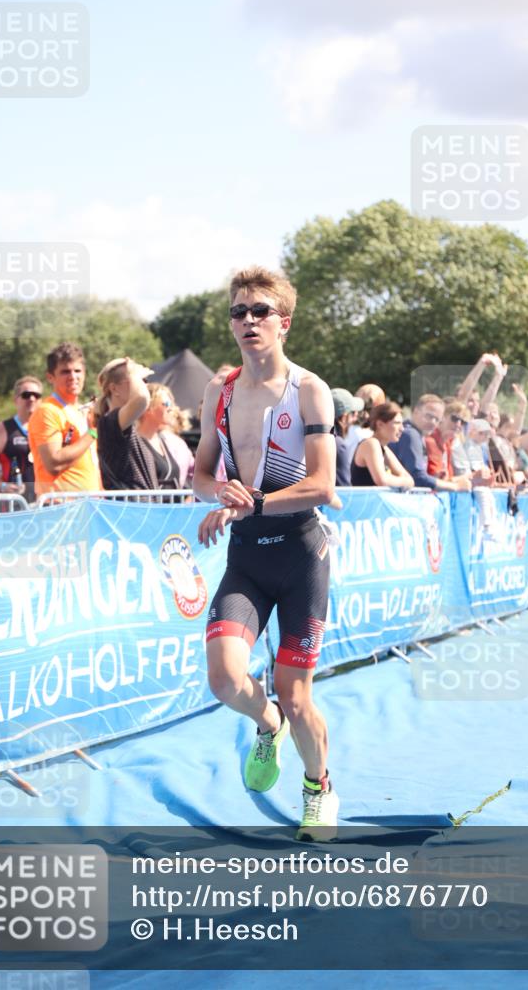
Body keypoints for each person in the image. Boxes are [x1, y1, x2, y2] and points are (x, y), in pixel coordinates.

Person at [192, 265, 338, 841]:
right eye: (239, 312)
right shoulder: (219, 391)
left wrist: (250, 501)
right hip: (247, 556)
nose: (248, 321)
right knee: (225, 680)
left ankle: (318, 786)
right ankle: (266, 722)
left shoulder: (308, 389)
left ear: (284, 323)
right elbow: (201, 475)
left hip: (301, 556)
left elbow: (323, 484)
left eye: (261, 311)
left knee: (297, 697)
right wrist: (221, 494)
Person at [27, 342, 102, 497]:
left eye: (77, 371)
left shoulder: (83, 412)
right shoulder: (47, 411)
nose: (73, 377)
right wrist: (92, 432)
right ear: (50, 377)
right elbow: (53, 464)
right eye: (65, 372)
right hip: (60, 504)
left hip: (90, 502)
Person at [94, 358, 157, 491]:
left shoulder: (123, 425)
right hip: (127, 504)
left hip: (140, 504)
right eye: (137, 381)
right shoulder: (108, 423)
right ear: (114, 388)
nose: (143, 385)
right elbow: (142, 398)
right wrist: (134, 373)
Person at [389, 394, 471, 491]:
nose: (432, 422)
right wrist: (456, 487)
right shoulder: (411, 435)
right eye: (429, 416)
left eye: (437, 419)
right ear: (415, 412)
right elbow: (418, 478)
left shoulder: (417, 434)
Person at [0, 375, 43, 500]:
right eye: (26, 395)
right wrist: (3, 486)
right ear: (15, 400)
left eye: (36, 395)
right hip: (14, 502)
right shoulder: (1, 430)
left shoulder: (48, 427)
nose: (31, 399)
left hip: (44, 500)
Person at [351, 401, 413, 488]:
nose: (402, 429)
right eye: (397, 423)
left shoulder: (384, 448)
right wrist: (403, 481)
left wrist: (397, 480)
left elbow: (410, 480)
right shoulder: (371, 444)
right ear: (380, 424)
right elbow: (382, 480)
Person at [136, 384, 185, 490]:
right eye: (166, 404)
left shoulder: (162, 440)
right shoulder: (135, 444)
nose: (171, 408)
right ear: (148, 408)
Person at [425, 398, 469, 480]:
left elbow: (448, 477)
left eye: (463, 422)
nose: (458, 424)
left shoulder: (447, 444)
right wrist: (471, 477)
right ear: (442, 417)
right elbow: (439, 480)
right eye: (455, 419)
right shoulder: (431, 441)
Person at [332, 388, 364, 486]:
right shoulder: (338, 445)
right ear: (344, 417)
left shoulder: (310, 437)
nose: (356, 417)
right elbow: (345, 488)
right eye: (353, 413)